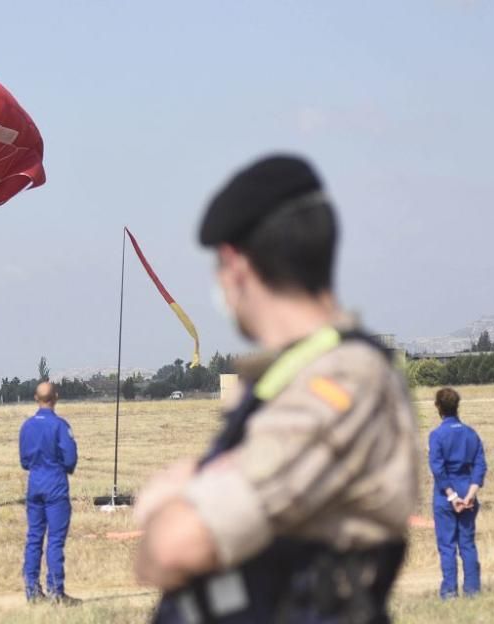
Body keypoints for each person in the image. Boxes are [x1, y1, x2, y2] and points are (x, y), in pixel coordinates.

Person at [133, 154, 419, 623]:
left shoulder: (342, 379)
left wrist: (177, 499)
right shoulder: (286, 378)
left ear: (235, 266)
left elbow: (171, 550)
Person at [19, 381, 80, 606]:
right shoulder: (60, 426)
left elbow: (24, 460)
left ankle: (32, 591)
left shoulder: (27, 426)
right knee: (54, 540)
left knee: (34, 538)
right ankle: (56, 590)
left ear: (36, 398)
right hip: (55, 484)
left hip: (34, 483)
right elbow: (70, 458)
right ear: (56, 397)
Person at [429, 387, 487, 599]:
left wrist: (452, 496)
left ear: (438, 407)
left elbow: (438, 468)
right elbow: (480, 466)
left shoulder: (437, 435)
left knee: (447, 546)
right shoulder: (471, 434)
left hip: (446, 496)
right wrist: (470, 493)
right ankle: (472, 591)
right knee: (467, 544)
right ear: (457, 406)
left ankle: (450, 591)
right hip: (468, 491)